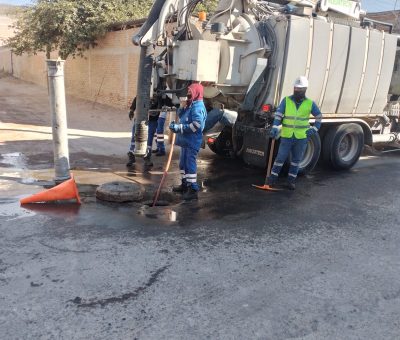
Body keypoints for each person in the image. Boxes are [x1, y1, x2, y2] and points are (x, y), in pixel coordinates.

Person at [268, 76, 322, 190]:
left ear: (305, 90)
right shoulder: (286, 100)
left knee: (296, 160)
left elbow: (319, 116)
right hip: (286, 136)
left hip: (301, 137)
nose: (297, 91)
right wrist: (274, 127)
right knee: (280, 158)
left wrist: (315, 129)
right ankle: (272, 180)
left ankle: (290, 182)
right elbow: (278, 115)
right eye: (296, 88)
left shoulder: (310, 103)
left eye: (300, 89)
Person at [169, 83, 207, 201]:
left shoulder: (197, 107)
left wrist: (179, 128)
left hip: (192, 141)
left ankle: (193, 189)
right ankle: (185, 184)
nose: (188, 94)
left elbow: (196, 125)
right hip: (186, 141)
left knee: (190, 165)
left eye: (190, 92)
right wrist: (182, 106)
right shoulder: (191, 105)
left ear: (197, 93)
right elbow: (183, 116)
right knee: (182, 164)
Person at [126, 97, 137, 167]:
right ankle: (132, 152)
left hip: (150, 120)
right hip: (138, 119)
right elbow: (135, 102)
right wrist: (132, 110)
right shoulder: (140, 95)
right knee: (134, 136)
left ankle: (147, 156)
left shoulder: (153, 97)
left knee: (148, 138)